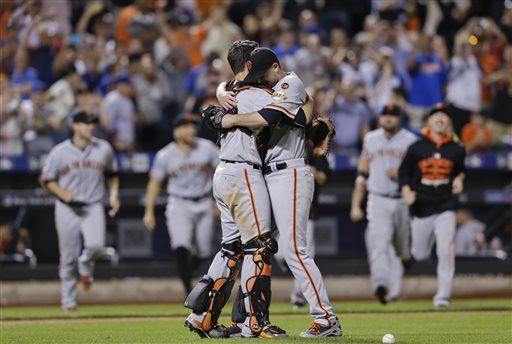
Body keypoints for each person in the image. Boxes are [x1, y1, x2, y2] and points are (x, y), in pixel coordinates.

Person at [216, 47, 342, 338]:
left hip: (291, 171)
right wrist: (222, 89)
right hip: (268, 174)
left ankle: (326, 318)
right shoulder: (268, 87)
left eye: (264, 74)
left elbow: (268, 116)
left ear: (275, 66)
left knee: (294, 250)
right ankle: (246, 319)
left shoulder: (290, 82)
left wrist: (231, 119)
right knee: (256, 246)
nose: (262, 80)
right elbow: (235, 86)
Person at [184, 40, 286, 339]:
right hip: (244, 173)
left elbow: (226, 89)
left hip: (224, 173)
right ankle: (255, 322)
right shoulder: (256, 95)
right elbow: (277, 115)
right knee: (260, 246)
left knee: (232, 248)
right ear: (254, 64)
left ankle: (202, 316)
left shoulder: (232, 91)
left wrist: (217, 100)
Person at [40, 109, 120, 312]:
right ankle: (68, 302)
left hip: (92, 205)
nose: (90, 126)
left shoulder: (104, 148)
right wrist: (60, 192)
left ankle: (85, 265)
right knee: (67, 257)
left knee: (97, 246)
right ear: (74, 126)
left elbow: (112, 175)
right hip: (67, 208)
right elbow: (46, 180)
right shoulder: (60, 151)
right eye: (85, 123)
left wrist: (113, 196)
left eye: (92, 122)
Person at [398, 103, 466, 308]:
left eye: (443, 116)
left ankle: (443, 296)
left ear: (449, 123)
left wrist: (460, 179)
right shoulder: (417, 147)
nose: (439, 118)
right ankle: (410, 248)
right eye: (435, 115)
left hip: (446, 204)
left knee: (446, 250)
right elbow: (404, 174)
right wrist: (406, 191)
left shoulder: (457, 148)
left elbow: (460, 170)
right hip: (422, 206)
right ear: (429, 121)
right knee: (420, 254)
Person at [143, 113, 218, 297]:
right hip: (179, 204)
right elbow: (154, 183)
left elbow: (223, 173)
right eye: (185, 126)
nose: (190, 129)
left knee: (203, 251)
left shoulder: (207, 148)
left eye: (192, 125)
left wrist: (219, 201)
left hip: (203, 202)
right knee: (181, 245)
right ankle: (188, 291)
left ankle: (188, 272)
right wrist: (149, 211)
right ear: (176, 132)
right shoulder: (165, 155)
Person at [350, 104, 417, 304]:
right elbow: (363, 166)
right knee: (379, 242)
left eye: (392, 115)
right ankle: (380, 285)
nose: (388, 118)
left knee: (399, 246)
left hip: (401, 199)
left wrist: (402, 174)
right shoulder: (371, 138)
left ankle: (406, 254)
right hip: (377, 198)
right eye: (385, 115)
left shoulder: (410, 140)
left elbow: (418, 173)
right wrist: (360, 187)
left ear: (399, 119)